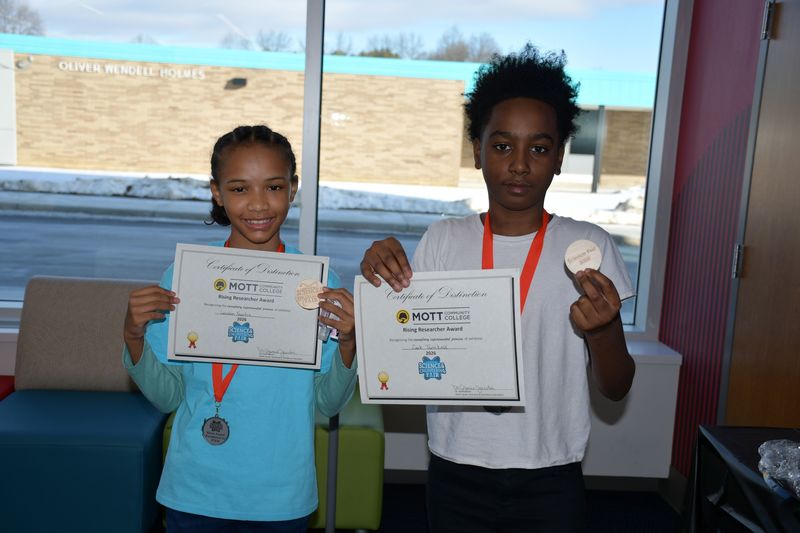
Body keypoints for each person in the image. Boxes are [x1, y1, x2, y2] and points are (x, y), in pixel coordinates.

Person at [360, 44, 635, 532]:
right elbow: (401, 341)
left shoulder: (588, 244)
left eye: (540, 148)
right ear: (478, 151)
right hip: (456, 462)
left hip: (552, 468)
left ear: (559, 158)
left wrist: (604, 328)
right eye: (504, 145)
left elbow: (615, 388)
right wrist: (377, 271)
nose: (521, 164)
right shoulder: (445, 239)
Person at [122, 125, 357, 532]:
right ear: (216, 192)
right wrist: (132, 337)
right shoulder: (186, 276)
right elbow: (168, 396)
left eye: (273, 187)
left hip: (282, 495)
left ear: (293, 189)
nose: (259, 204)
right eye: (239, 189)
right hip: (194, 490)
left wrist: (351, 342)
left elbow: (327, 404)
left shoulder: (319, 285)